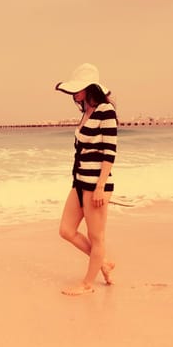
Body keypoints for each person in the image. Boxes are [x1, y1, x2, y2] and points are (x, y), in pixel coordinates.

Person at [55, 63, 117, 295]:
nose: (74, 94)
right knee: (66, 230)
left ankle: (88, 284)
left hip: (95, 184)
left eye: (77, 89)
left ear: (91, 87)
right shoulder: (86, 112)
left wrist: (101, 185)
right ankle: (102, 262)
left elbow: (109, 150)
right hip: (79, 182)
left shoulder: (105, 111)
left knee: (96, 236)